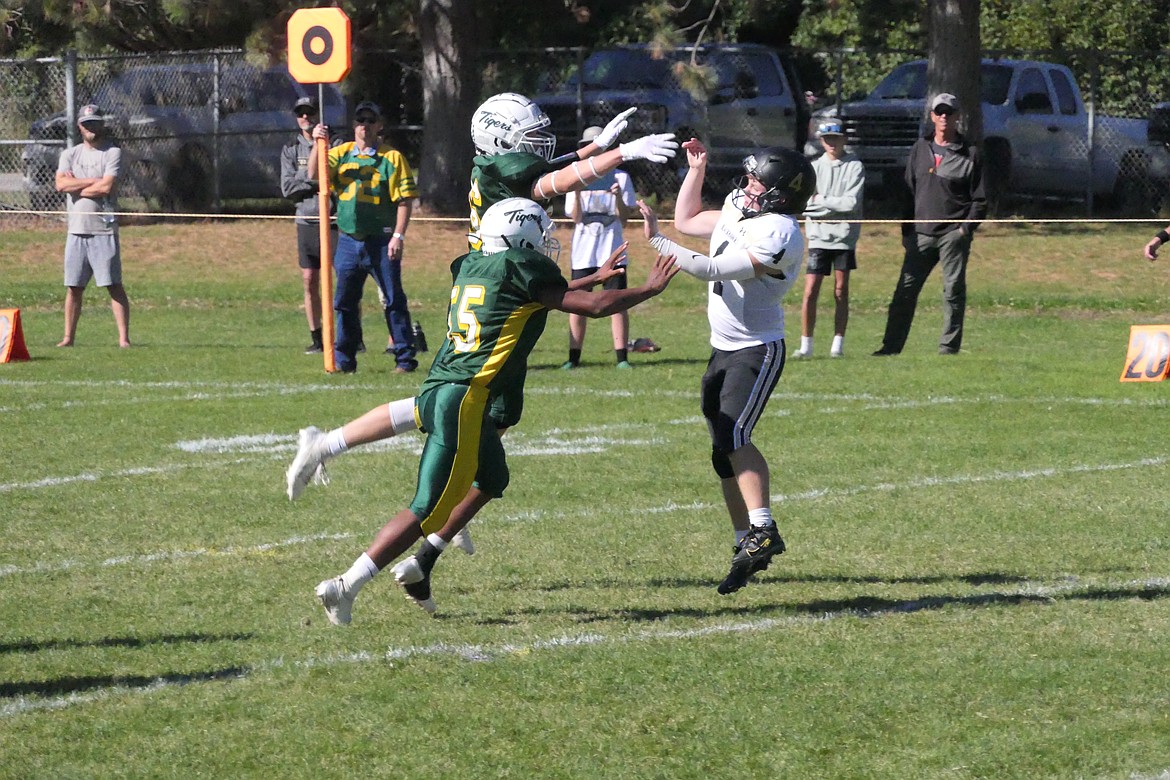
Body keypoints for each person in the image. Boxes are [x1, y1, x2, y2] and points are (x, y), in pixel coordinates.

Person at [312, 197, 678, 624]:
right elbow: (594, 308)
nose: (545, 245)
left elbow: (537, 297)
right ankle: (346, 585)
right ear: (521, 238)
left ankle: (421, 567)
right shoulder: (524, 269)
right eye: (539, 237)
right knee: (427, 508)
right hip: (464, 399)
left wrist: (593, 277)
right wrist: (649, 289)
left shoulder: (470, 265)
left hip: (436, 390)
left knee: (493, 476)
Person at [638, 139, 814, 595]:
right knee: (722, 450)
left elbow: (711, 268)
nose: (748, 185)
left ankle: (763, 528)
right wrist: (696, 170)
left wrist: (657, 241)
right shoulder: (744, 207)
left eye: (758, 180)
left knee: (735, 434)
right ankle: (745, 542)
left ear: (781, 192)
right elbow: (689, 221)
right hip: (723, 346)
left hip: (756, 348)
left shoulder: (780, 232)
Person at [308, 100, 419, 373]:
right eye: (360, 121)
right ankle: (345, 360)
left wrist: (398, 237)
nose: (365, 126)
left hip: (381, 240)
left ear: (379, 125)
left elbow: (405, 200)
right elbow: (313, 175)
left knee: (393, 300)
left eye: (370, 121)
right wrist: (317, 144)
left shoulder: (392, 158)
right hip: (348, 240)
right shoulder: (341, 153)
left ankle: (404, 359)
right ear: (353, 125)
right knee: (344, 302)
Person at [873, 92, 986, 356]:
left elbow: (980, 200)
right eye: (940, 112)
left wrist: (964, 230)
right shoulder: (919, 149)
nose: (944, 117)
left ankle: (948, 347)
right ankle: (890, 347)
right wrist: (906, 230)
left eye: (949, 112)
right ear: (933, 116)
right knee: (905, 291)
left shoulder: (970, 153)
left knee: (953, 291)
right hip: (920, 234)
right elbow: (907, 193)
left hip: (952, 234)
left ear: (958, 117)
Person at [562, 125, 638, 369]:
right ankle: (573, 358)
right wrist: (576, 191)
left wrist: (616, 197)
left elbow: (625, 218)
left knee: (616, 302)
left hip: (612, 249)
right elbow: (574, 218)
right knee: (577, 304)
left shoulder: (620, 177)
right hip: (583, 252)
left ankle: (621, 357)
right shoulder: (575, 176)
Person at [54, 103, 130, 348]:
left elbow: (107, 187)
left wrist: (79, 185)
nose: (91, 128)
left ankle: (123, 339)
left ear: (102, 124)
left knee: (113, 284)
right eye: (87, 124)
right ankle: (68, 338)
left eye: (95, 123)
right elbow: (61, 185)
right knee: (73, 287)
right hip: (76, 229)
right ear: (79, 126)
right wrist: (92, 182)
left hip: (103, 229)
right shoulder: (70, 154)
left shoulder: (112, 153)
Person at [795, 120, 864, 359]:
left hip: (844, 238)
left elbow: (851, 203)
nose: (832, 143)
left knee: (840, 290)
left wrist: (821, 201)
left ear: (844, 139)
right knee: (810, 290)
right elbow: (806, 205)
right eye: (827, 139)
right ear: (822, 141)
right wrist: (829, 205)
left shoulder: (855, 166)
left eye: (836, 138)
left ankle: (838, 345)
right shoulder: (813, 167)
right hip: (818, 238)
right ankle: (806, 346)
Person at [280, 96, 337, 354]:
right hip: (306, 220)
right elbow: (288, 188)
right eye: (301, 113)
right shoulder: (290, 149)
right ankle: (316, 337)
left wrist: (316, 178)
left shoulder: (334, 143)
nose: (306, 117)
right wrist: (314, 180)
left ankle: (348, 336)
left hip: (334, 220)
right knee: (309, 279)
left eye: (310, 112)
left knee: (342, 278)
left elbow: (335, 180)